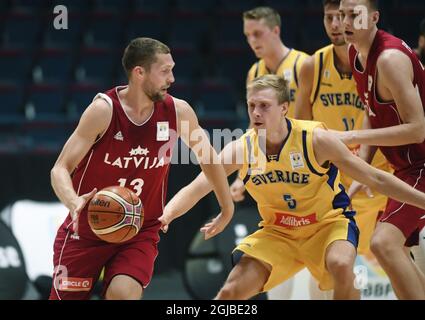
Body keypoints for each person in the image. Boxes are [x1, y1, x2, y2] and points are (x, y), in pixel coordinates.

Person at [159, 74, 425, 300]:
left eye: (264, 105)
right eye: (252, 105)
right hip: (279, 232)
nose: (256, 113)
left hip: (328, 224)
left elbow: (377, 178)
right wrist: (167, 215)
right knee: (230, 291)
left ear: (284, 108)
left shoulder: (316, 140)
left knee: (341, 264)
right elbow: (197, 187)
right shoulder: (242, 148)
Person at [49, 37, 234, 300]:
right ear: (139, 73)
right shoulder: (103, 110)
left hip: (138, 229)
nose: (172, 78)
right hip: (88, 227)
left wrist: (227, 208)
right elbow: (59, 169)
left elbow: (210, 159)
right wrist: (73, 201)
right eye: (165, 71)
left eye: (172, 69)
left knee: (123, 294)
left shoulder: (178, 112)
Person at [293, 0, 392, 298]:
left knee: (394, 255)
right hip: (338, 184)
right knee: (331, 272)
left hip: (378, 177)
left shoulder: (381, 61)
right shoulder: (314, 65)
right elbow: (300, 127)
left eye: (342, 17)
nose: (336, 24)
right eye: (329, 17)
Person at [337, 0, 425, 299]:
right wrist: (363, 164)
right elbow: (372, 111)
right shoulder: (355, 52)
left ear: (374, 17)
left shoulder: (389, 59)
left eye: (354, 15)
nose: (344, 22)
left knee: (383, 244)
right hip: (407, 166)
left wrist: (350, 135)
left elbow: (417, 128)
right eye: (342, 15)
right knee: (394, 247)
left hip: (422, 164)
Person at [231, 6, 309, 212]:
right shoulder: (255, 71)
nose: (252, 40)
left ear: (275, 31)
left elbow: (314, 116)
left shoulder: (303, 65)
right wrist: (242, 176)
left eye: (257, 33)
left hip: (305, 156)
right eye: (248, 35)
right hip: (273, 160)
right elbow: (254, 126)